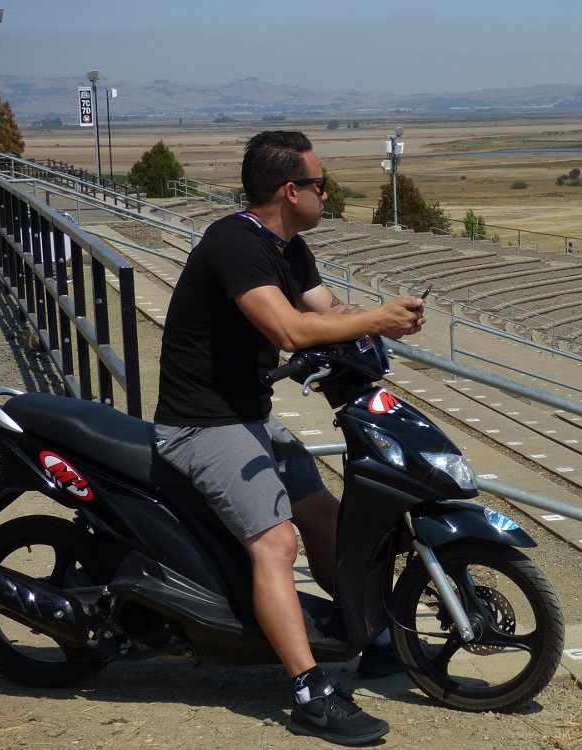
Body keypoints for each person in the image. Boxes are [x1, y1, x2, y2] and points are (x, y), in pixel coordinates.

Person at [153, 131, 425, 746]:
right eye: (321, 184)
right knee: (276, 543)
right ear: (289, 191)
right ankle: (309, 691)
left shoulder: (289, 246)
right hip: (202, 424)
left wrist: (378, 326)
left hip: (249, 418)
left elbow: (325, 313)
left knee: (328, 521)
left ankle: (378, 638)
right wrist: (370, 318)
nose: (328, 194)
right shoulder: (234, 244)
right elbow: (288, 327)